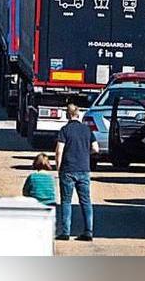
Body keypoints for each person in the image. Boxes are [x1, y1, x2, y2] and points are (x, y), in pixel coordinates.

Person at [55, 102, 99, 241]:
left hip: (68, 169)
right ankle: (88, 231)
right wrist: (85, 153)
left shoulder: (64, 130)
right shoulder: (87, 130)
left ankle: (66, 232)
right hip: (84, 169)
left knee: (66, 201)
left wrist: (58, 167)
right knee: (85, 201)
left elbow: (59, 150)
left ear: (67, 115)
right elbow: (96, 148)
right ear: (78, 114)